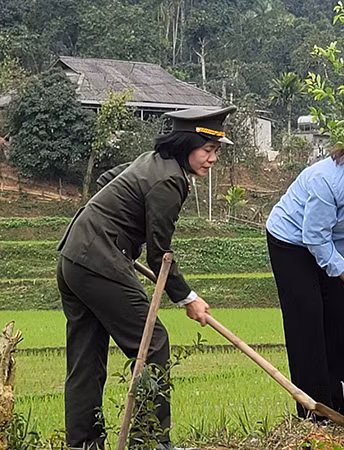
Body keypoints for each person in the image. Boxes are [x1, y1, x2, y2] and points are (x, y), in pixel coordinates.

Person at [56, 106, 236, 450]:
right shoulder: (170, 180)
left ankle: (83, 444)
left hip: (73, 256)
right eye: (207, 150)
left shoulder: (150, 161)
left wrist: (111, 223)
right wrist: (188, 297)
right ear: (185, 145)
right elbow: (160, 255)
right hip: (98, 261)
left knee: (86, 358)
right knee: (152, 343)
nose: (212, 159)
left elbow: (107, 179)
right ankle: (151, 442)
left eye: (216, 151)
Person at [265, 118, 344, 419]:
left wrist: (342, 266)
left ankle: (343, 402)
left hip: (332, 246)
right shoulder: (328, 180)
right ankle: (316, 412)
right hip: (292, 242)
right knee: (307, 319)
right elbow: (314, 236)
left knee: (337, 315)